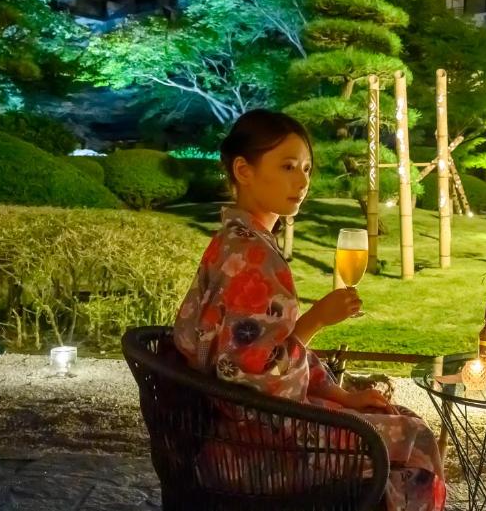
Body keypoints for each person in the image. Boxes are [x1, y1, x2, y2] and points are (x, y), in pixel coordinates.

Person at [173, 109, 445, 511]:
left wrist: (341, 395)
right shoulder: (252, 258)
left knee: (396, 417)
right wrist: (316, 320)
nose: (302, 181)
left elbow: (264, 352)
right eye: (287, 167)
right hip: (254, 449)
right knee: (413, 437)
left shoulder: (234, 241)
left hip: (242, 429)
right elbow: (255, 378)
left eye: (306, 169)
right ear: (243, 170)